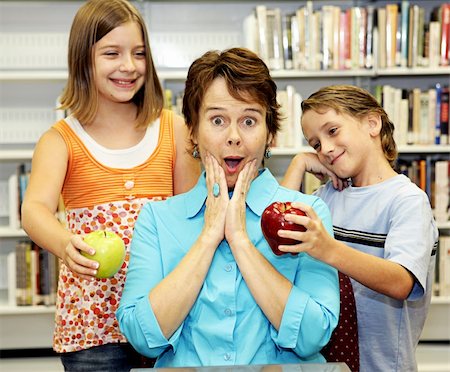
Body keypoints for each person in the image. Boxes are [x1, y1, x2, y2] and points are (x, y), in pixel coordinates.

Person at [117, 47, 340, 368]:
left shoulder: (308, 212)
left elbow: (312, 336)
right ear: (192, 130)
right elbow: (143, 336)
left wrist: (239, 240)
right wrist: (209, 236)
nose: (234, 137)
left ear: (270, 134)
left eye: (249, 120)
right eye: (217, 120)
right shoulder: (157, 219)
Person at [21, 0, 200, 370]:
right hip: (93, 326)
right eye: (111, 53)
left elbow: (190, 214)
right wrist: (63, 244)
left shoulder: (174, 129)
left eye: (139, 53)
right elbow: (34, 209)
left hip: (166, 317)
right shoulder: (60, 139)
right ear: (82, 59)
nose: (129, 66)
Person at [280, 85, 438, 372]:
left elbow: (401, 281)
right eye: (315, 144)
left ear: (372, 123)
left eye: (333, 131)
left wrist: (329, 249)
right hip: (323, 365)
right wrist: (298, 164)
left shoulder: (407, 201)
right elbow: (276, 232)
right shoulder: (328, 196)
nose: (325, 149)